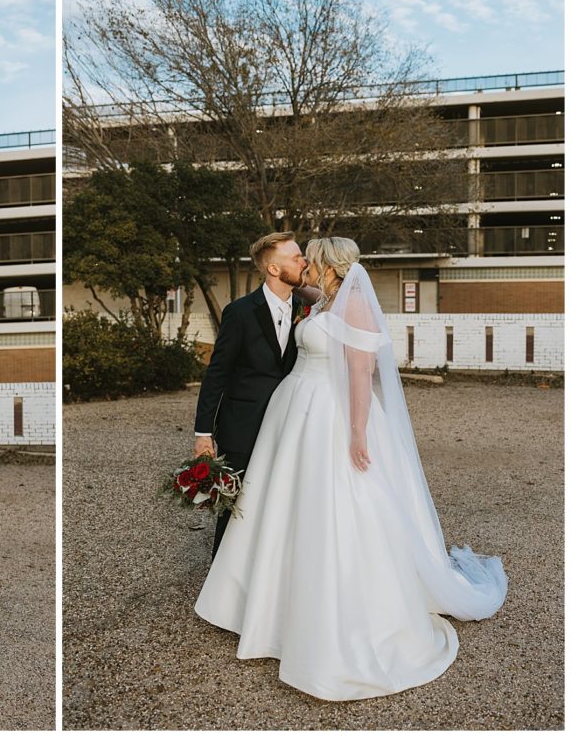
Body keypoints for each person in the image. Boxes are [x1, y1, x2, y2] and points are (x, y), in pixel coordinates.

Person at [194, 236, 508, 701]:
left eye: (310, 257)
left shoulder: (351, 304)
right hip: (292, 419)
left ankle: (330, 611)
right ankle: (259, 603)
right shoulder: (319, 300)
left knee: (333, 506)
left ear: (329, 265)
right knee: (277, 507)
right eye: (299, 258)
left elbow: (361, 372)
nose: (305, 263)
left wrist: (358, 431)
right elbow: (249, 339)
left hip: (328, 417)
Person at [193, 231, 314, 559]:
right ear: (274, 269)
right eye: (296, 257)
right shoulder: (241, 312)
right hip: (243, 426)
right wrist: (203, 434)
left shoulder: (308, 309)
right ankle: (222, 577)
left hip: (289, 422)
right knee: (234, 506)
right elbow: (216, 373)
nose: (304, 261)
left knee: (281, 500)